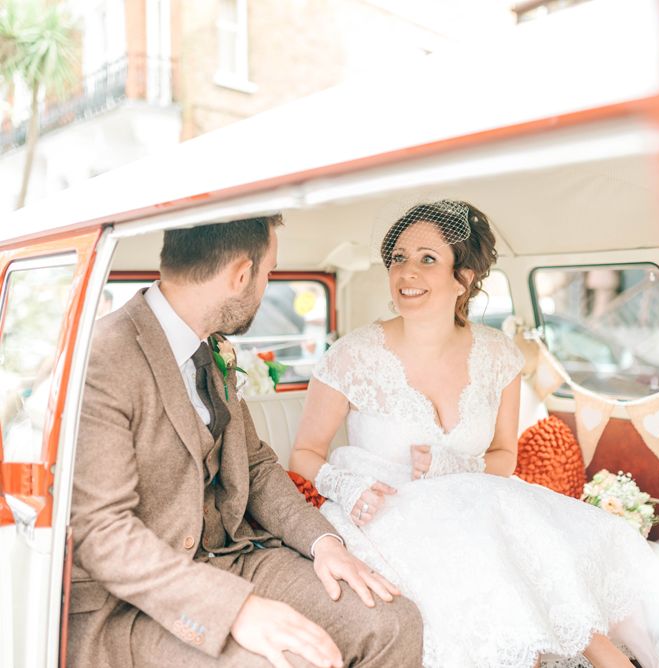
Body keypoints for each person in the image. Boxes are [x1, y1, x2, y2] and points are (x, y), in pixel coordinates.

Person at [290, 200, 659, 668]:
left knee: (545, 537)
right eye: (398, 258)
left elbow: (503, 456)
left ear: (464, 277)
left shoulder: (499, 355)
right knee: (497, 549)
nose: (406, 272)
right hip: (383, 517)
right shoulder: (350, 355)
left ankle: (605, 655)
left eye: (427, 259)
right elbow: (305, 453)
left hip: (484, 506)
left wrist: (458, 467)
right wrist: (344, 486)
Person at [69, 216, 423, 668]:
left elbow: (254, 466)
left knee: (393, 623)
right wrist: (233, 608)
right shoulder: (104, 358)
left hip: (233, 555)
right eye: (269, 273)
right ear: (241, 275)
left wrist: (325, 544)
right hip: (134, 602)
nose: (267, 285)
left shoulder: (209, 348)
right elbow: (103, 534)